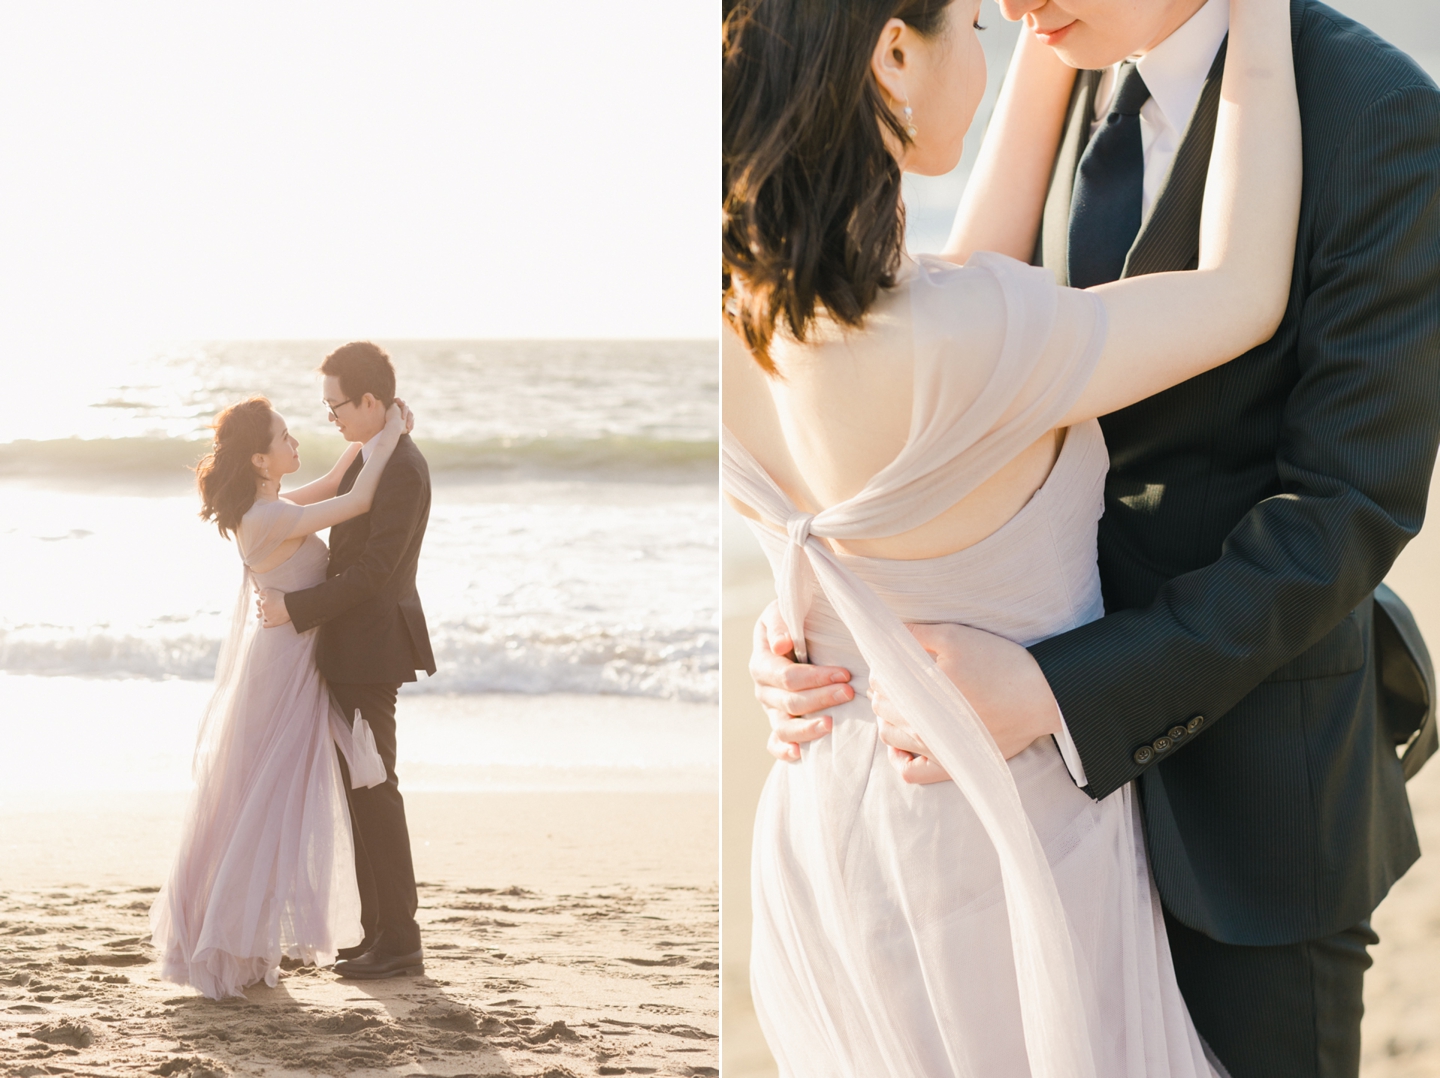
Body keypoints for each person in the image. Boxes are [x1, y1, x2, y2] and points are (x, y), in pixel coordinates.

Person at [749, 0, 1440, 1075]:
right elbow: (940, 424)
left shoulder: (1378, 113)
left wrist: (1058, 688)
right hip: (989, 822)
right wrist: (825, 617)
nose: (1012, 7)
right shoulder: (1058, 68)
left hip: (1244, 812)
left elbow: (1347, 512)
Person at [150, 393, 406, 1000]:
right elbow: (359, 500)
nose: (296, 444)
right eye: (285, 437)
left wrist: (363, 443)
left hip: (289, 662)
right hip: (284, 670)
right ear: (262, 460)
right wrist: (390, 432)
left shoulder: (268, 507)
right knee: (260, 804)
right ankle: (227, 935)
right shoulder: (268, 518)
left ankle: (240, 934)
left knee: (259, 801)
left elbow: (333, 482)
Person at [258, 341, 437, 981]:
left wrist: (295, 607)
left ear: (369, 400)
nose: (330, 417)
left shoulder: (403, 469)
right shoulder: (373, 454)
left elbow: (371, 573)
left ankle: (402, 938)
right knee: (362, 792)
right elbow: (334, 494)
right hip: (349, 649)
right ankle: (378, 931)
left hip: (371, 653)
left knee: (375, 789)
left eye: (337, 406)